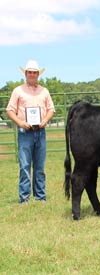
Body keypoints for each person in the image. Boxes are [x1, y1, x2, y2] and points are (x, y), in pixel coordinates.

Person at [6, 60, 55, 204]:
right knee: (25, 166)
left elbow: (51, 109)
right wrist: (20, 122)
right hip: (24, 132)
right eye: (30, 72)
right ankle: (24, 198)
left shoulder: (44, 91)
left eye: (34, 72)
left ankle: (40, 197)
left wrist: (45, 120)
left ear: (38, 74)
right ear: (25, 74)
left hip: (40, 132)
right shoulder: (18, 91)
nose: (32, 75)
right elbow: (10, 110)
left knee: (39, 167)